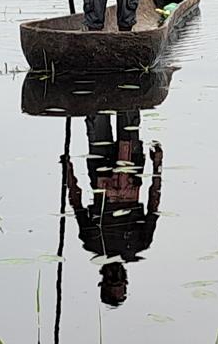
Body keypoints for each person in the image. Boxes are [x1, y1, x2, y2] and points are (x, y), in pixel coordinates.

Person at [67, 110, 164, 306]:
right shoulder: (139, 244)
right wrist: (157, 167)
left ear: (102, 280)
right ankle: (129, 81)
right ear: (126, 279)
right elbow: (153, 207)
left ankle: (95, 83)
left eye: (112, 279)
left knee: (95, 114)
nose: (115, 273)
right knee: (128, 112)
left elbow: (77, 205)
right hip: (131, 166)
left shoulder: (92, 243)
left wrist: (68, 173)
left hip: (100, 167)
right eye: (118, 279)